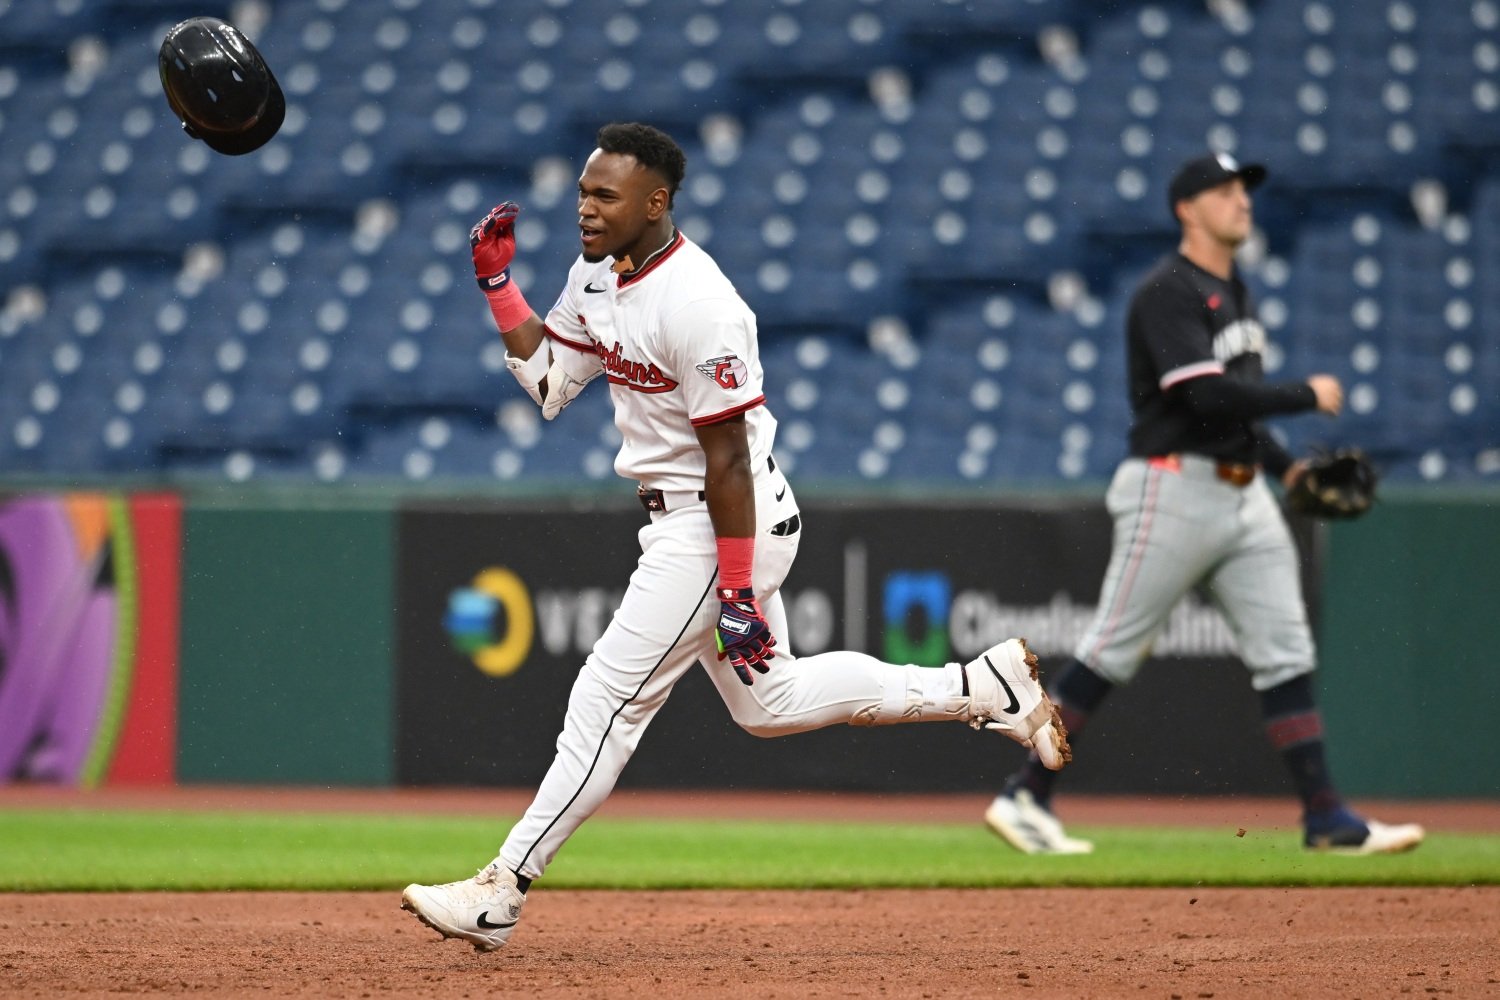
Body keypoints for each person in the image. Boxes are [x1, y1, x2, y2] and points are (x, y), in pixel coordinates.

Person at [400, 122, 1072, 952]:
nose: (584, 206)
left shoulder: (704, 306)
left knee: (607, 698)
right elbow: (548, 384)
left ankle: (502, 889)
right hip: (688, 517)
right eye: (582, 190)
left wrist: (737, 591)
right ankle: (982, 686)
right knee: (770, 703)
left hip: (719, 517)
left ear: (657, 202)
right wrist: (500, 286)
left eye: (604, 194)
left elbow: (726, 462)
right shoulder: (595, 278)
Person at [983, 152, 1424, 857]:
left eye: (1245, 189)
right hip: (1174, 486)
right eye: (1225, 190)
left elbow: (1236, 418)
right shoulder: (1169, 291)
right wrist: (1303, 394)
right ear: (1187, 208)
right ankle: (1024, 794)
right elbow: (1204, 396)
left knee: (1286, 653)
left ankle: (1327, 818)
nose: (1242, 201)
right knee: (1109, 650)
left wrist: (1288, 465)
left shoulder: (1236, 292)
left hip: (1244, 494)